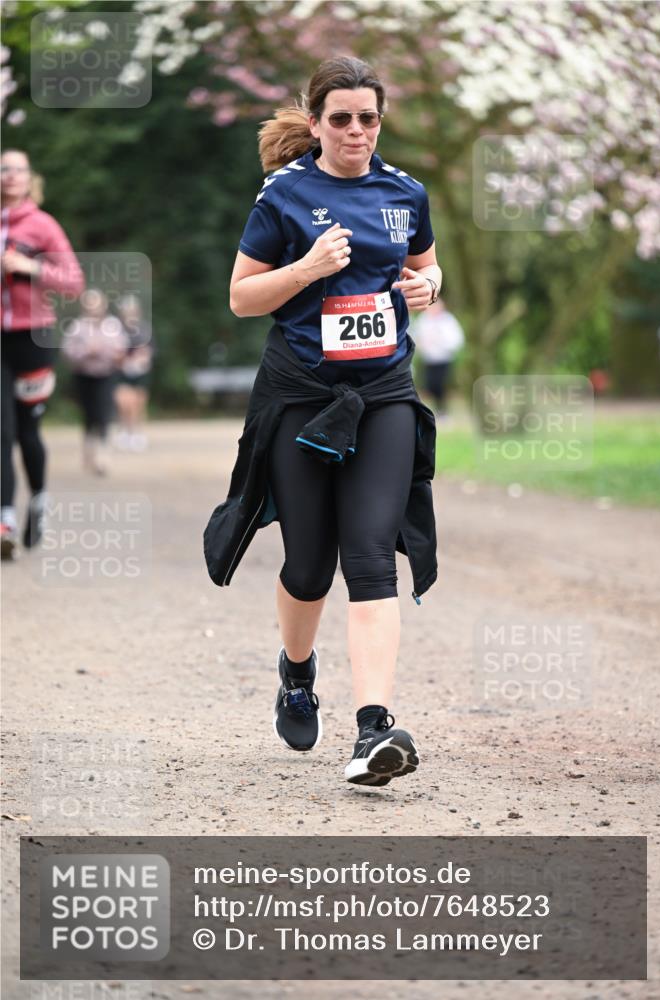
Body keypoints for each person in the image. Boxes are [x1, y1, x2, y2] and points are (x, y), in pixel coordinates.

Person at [206, 56, 441, 787]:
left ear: (380, 120)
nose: (355, 131)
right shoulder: (284, 196)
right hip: (303, 398)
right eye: (339, 118)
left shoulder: (405, 192)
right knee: (308, 568)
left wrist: (427, 286)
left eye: (367, 118)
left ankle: (374, 729)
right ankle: (297, 672)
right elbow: (244, 298)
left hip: (381, 395)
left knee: (370, 555)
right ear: (314, 123)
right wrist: (305, 269)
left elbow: (427, 269)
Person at [1, 148, 84, 560]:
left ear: (29, 177)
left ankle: (37, 502)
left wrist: (28, 267)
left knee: (25, 430)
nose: (10, 176)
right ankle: (4, 520)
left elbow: (73, 282)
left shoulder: (42, 225)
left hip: (32, 336)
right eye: (3, 169)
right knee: (1, 428)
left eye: (18, 169)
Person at [62, 288, 128, 476]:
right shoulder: (77, 326)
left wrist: (109, 353)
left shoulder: (113, 325)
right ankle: (88, 454)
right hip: (84, 375)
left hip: (106, 375)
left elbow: (121, 349)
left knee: (104, 414)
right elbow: (67, 351)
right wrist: (85, 352)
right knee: (89, 415)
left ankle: (103, 456)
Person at [412, 297, 464, 415]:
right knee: (430, 385)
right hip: (429, 360)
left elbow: (457, 340)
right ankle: (438, 408)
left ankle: (443, 410)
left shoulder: (448, 320)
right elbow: (416, 337)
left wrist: (440, 341)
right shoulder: (423, 320)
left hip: (444, 359)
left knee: (440, 385)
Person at [114, 293, 153, 452]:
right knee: (123, 403)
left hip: (140, 371)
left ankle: (138, 433)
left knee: (138, 404)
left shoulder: (144, 329)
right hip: (122, 371)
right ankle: (125, 431)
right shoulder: (116, 330)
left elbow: (149, 350)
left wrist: (142, 357)